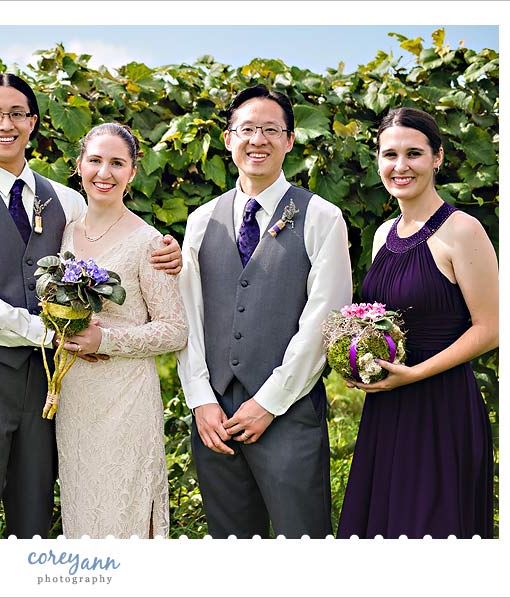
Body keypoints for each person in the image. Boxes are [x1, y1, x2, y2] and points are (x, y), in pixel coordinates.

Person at [0, 73, 183, 539]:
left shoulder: (67, 202)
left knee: (35, 518)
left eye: (17, 114)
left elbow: (114, 238)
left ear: (33, 122)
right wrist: (50, 334)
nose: (6, 124)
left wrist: (170, 251)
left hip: (53, 384)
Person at [177, 84, 353, 538]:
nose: (258, 140)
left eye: (271, 130)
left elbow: (325, 318)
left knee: (303, 541)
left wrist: (270, 402)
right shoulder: (200, 220)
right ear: (228, 138)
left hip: (289, 412)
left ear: (290, 140)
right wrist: (200, 399)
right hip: (215, 417)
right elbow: (189, 318)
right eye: (247, 129)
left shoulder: (322, 216)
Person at [337, 108, 498, 539]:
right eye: (390, 155)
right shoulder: (382, 234)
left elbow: (492, 327)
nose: (400, 166)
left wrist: (415, 374)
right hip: (387, 407)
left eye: (414, 154)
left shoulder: (463, 230)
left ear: (437, 157)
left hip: (441, 406)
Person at [55, 123, 188, 538]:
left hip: (126, 396)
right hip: (76, 395)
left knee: (124, 511)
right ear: (79, 165)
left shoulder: (150, 242)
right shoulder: (66, 231)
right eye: (95, 160)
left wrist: (107, 340)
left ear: (132, 172)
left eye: (117, 163)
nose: (104, 173)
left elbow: (175, 329)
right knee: (83, 510)